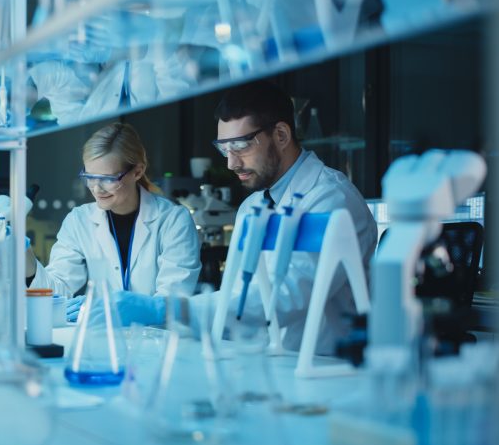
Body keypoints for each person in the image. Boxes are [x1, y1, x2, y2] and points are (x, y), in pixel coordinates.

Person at [110, 82, 378, 355]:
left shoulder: (332, 199)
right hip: (265, 362)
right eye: (225, 149)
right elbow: (237, 300)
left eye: (240, 146)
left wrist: (168, 310)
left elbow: (282, 298)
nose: (231, 163)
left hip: (326, 369)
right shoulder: (252, 206)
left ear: (282, 135)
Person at [26, 122, 201, 309]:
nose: (96, 188)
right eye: (89, 177)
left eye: (108, 179)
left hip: (156, 335)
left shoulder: (173, 221)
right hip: (101, 333)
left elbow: (171, 301)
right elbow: (56, 291)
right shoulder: (79, 220)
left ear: (137, 171)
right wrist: (25, 257)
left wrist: (115, 308)